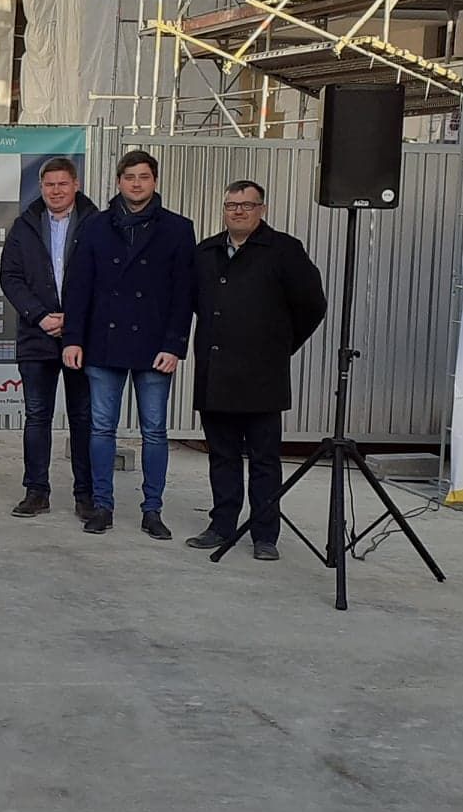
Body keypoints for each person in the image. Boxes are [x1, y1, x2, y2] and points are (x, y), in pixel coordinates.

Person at [186, 180, 326, 560]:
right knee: (222, 457)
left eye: (247, 205)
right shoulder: (206, 251)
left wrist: (280, 345)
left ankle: (265, 535)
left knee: (264, 460)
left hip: (263, 376)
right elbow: (197, 304)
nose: (239, 211)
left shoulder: (284, 250)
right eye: (232, 205)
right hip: (216, 375)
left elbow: (312, 305)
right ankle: (222, 526)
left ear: (262, 209)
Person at [62, 149, 196, 538]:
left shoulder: (178, 229)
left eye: (144, 177)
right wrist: (73, 339)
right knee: (101, 428)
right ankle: (102, 506)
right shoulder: (95, 226)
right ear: (118, 182)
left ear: (155, 181)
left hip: (155, 346)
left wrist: (174, 345)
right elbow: (78, 288)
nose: (137, 184)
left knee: (154, 431)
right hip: (103, 343)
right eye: (130, 177)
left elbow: (183, 294)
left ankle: (152, 510)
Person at [0, 156, 99, 519]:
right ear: (41, 188)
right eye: (49, 185)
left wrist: (73, 320)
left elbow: (106, 278)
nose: (56, 191)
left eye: (62, 184)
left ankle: (85, 495)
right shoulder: (24, 225)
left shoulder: (96, 224)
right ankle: (36, 491)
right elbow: (10, 277)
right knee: (37, 415)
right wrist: (40, 316)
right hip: (36, 334)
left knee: (83, 417)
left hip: (82, 337)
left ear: (76, 185)